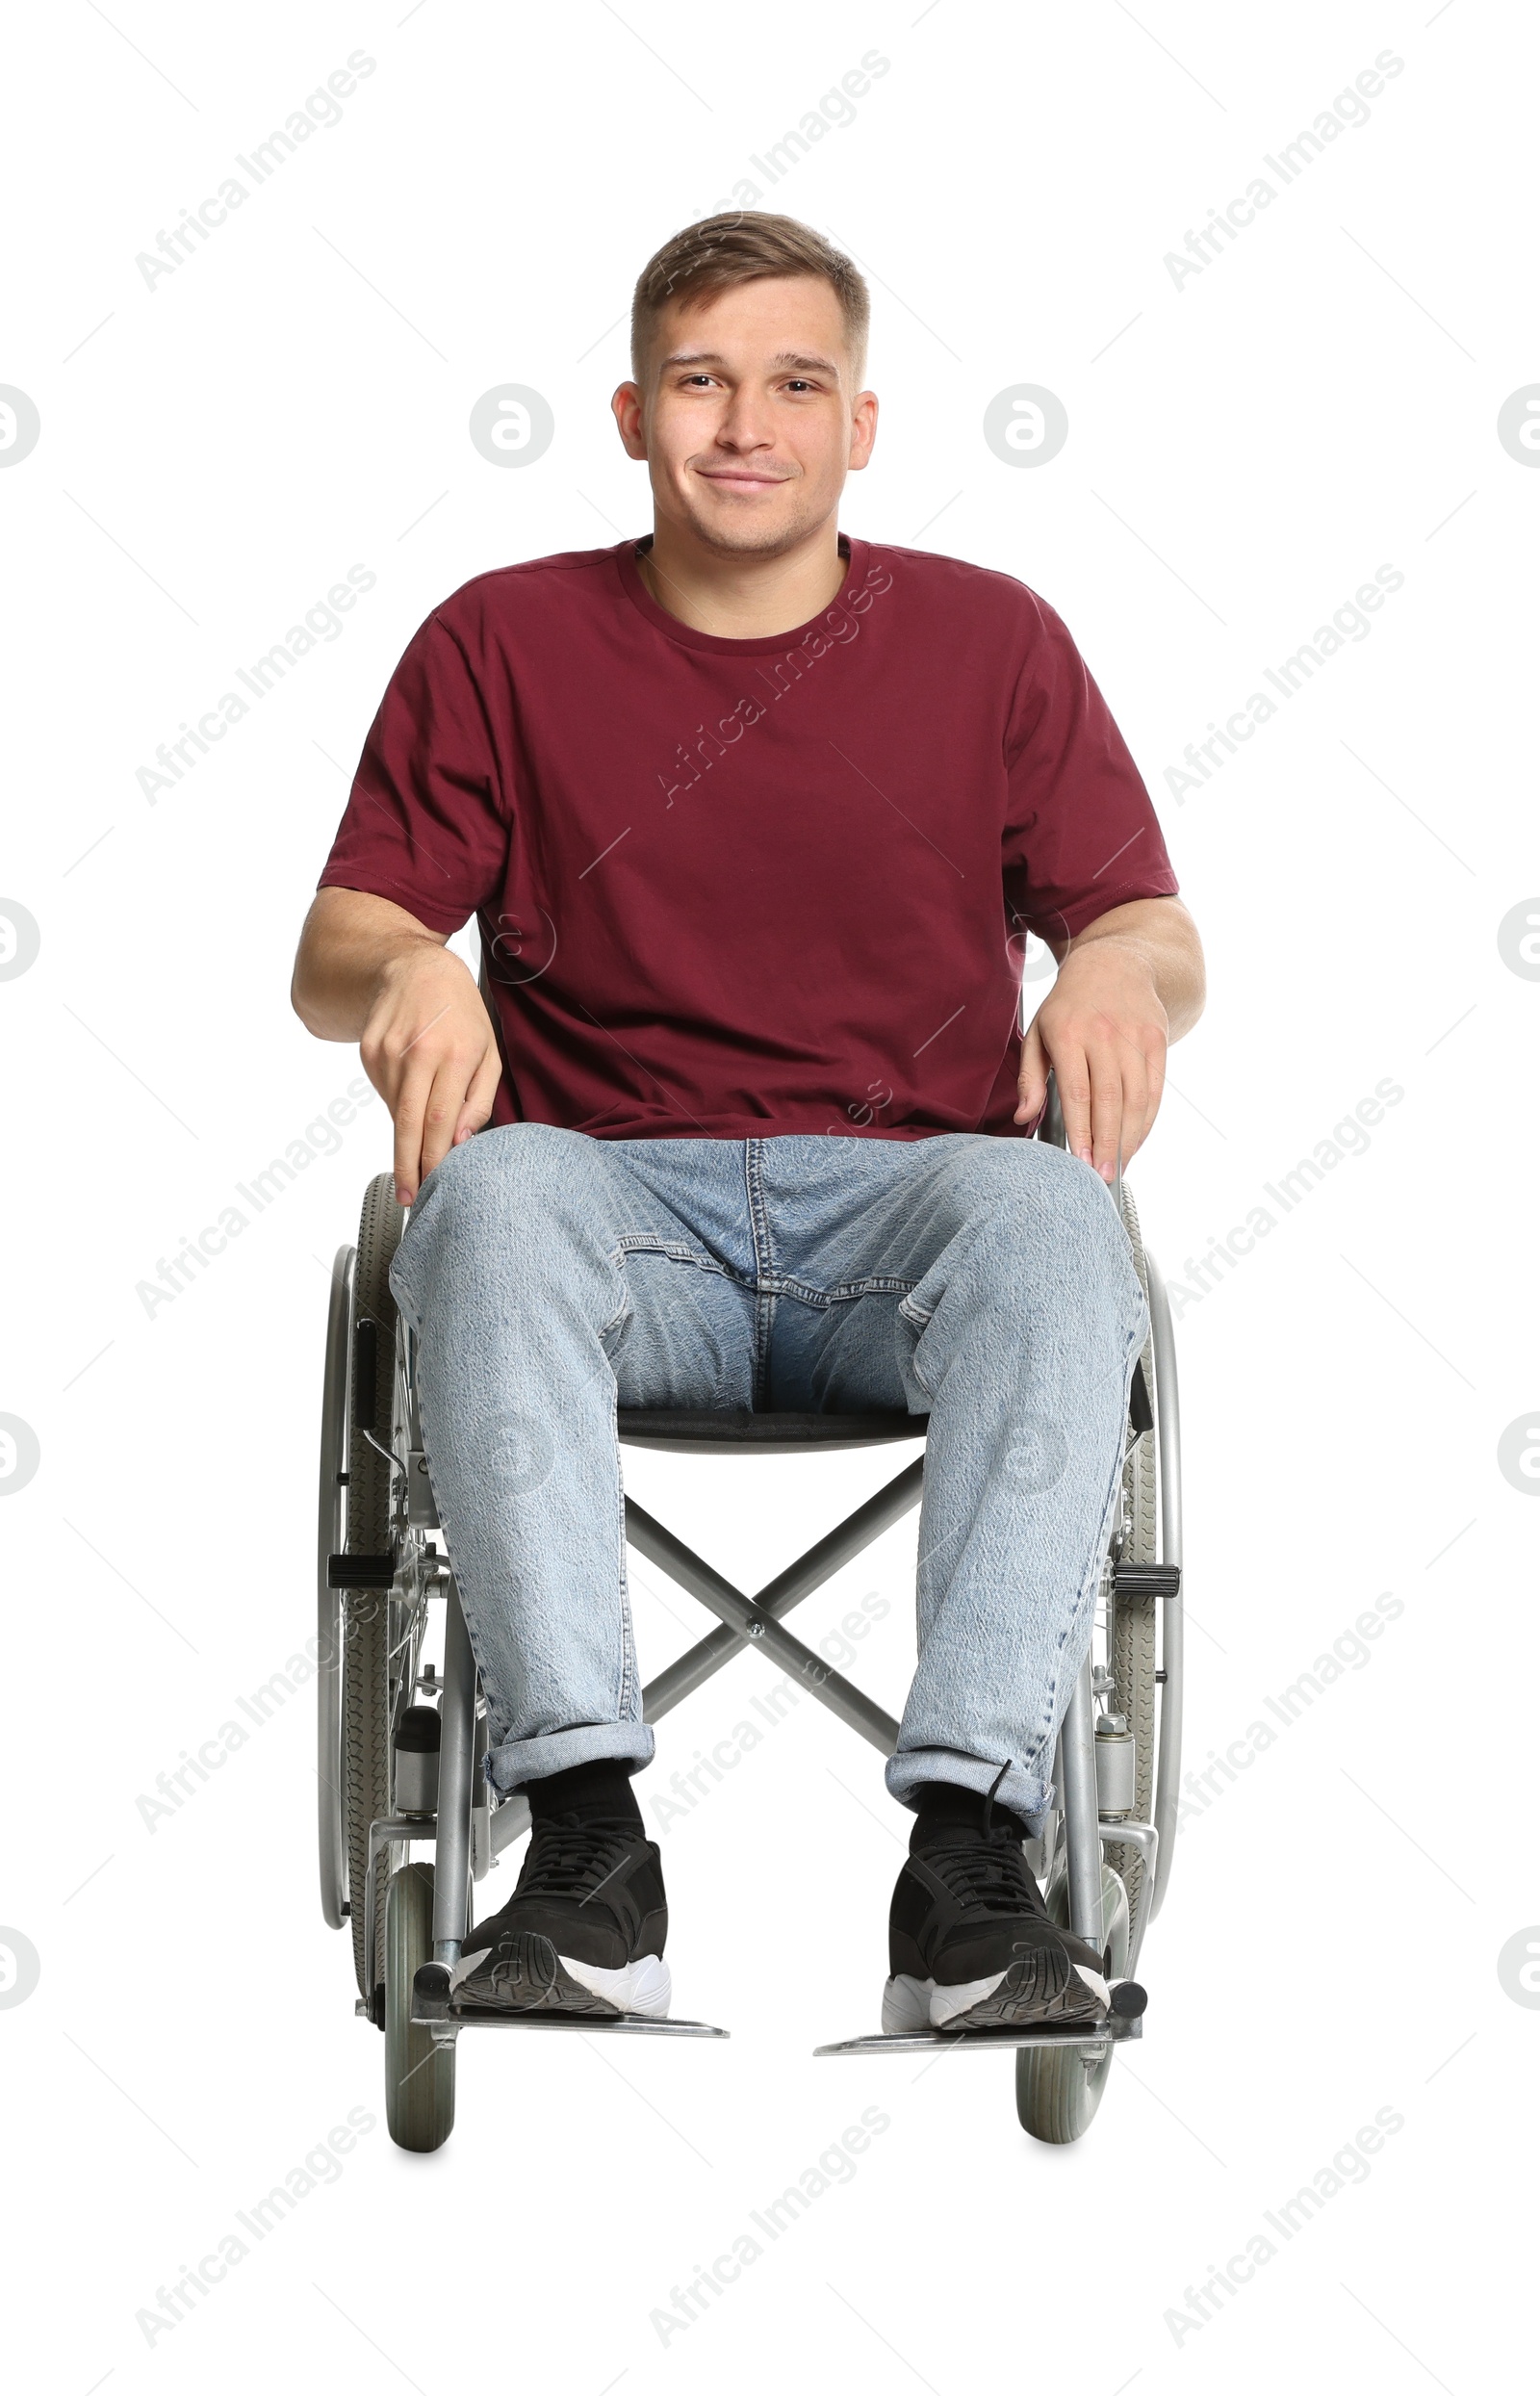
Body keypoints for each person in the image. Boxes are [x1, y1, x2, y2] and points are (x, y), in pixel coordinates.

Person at [292, 211, 1204, 2035]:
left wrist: (1118, 969)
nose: (745, 426)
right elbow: (341, 941)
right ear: (634, 413)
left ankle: (967, 1857)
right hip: (616, 1228)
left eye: (796, 384)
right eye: (702, 383)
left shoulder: (992, 640)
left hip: (912, 1223)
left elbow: (1147, 923)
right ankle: (585, 1845)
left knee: (1053, 1216)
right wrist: (409, 972)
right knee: (488, 1194)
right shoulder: (502, 639)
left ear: (861, 422)